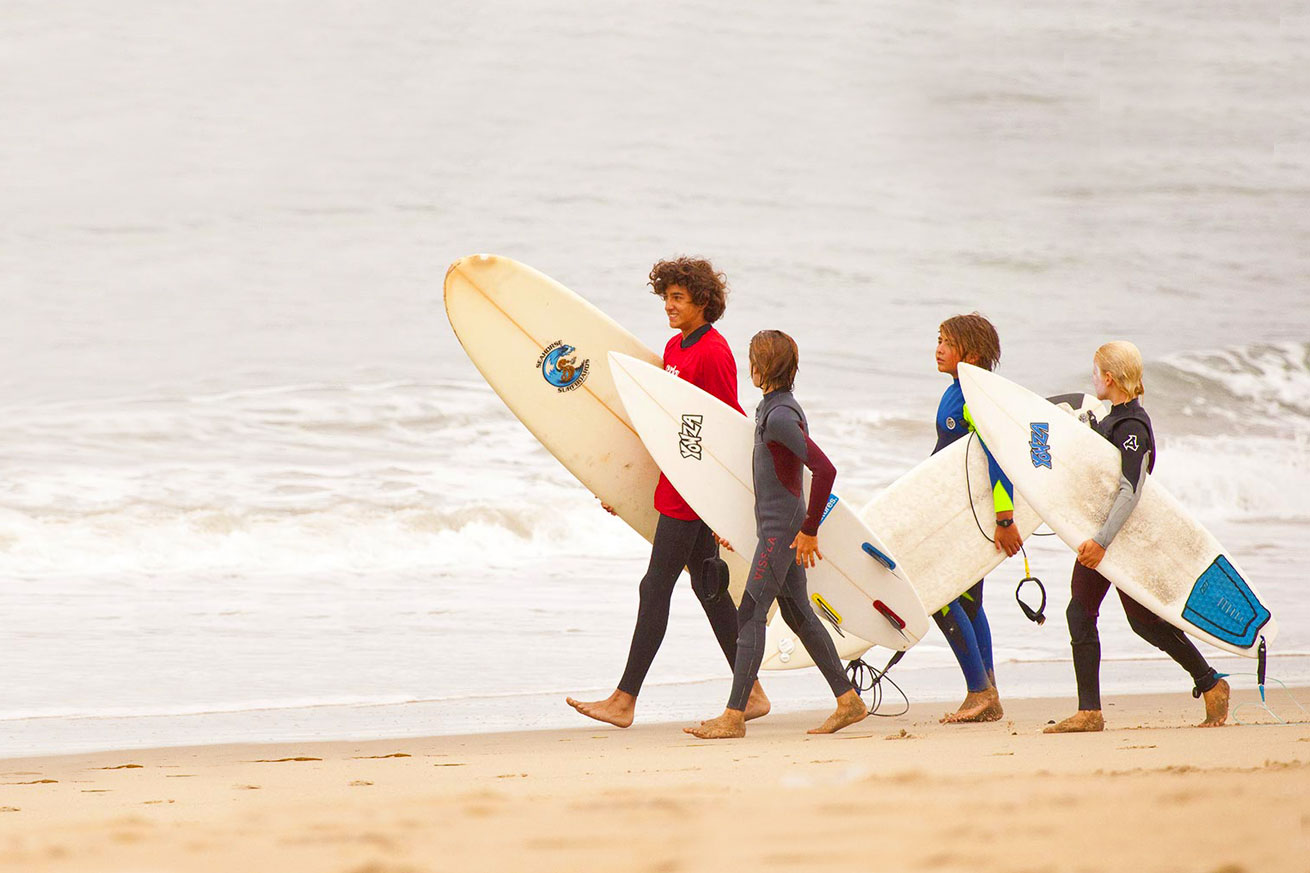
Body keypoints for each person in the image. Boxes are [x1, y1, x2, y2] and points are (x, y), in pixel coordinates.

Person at [566, 257, 770, 728]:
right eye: (666, 297)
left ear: (703, 301)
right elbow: (664, 424)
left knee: (654, 587)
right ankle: (753, 690)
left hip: (693, 492)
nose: (669, 307)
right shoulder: (675, 348)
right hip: (674, 485)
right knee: (709, 589)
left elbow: (724, 424)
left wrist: (722, 504)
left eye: (678, 298)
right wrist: (623, 484)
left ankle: (623, 701)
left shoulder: (713, 353)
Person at [685, 330, 867, 739]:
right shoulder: (772, 408)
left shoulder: (781, 415)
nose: (748, 366)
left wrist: (809, 530)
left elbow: (825, 470)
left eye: (752, 359)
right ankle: (848, 699)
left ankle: (734, 715)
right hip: (775, 524)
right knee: (797, 613)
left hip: (781, 529)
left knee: (749, 612)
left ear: (762, 365)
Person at [1045, 341, 1229, 733]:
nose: (1092, 379)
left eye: (1095, 372)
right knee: (1096, 615)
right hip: (1106, 536)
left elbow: (1131, 489)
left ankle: (1210, 683)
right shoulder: (1113, 419)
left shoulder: (1132, 427)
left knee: (1134, 621)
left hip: (1120, 540)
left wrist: (1102, 542)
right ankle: (1092, 711)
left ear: (1108, 377)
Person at [931, 313, 1021, 723]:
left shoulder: (975, 394)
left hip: (971, 513)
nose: (938, 349)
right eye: (938, 340)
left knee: (941, 596)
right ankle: (988, 691)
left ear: (972, 353)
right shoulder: (958, 389)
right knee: (969, 601)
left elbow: (996, 455)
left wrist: (1005, 518)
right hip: (955, 508)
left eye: (946, 342)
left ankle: (978, 690)